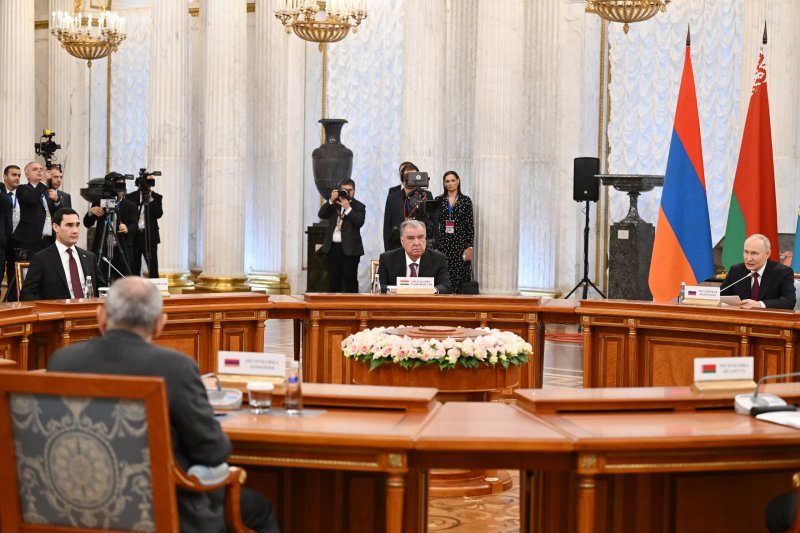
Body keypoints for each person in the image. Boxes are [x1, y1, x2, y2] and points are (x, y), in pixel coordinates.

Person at [46, 277, 279, 533]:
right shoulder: (175, 368)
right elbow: (212, 452)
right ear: (159, 324)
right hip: (166, 513)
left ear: (101, 316)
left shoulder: (62, 362)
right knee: (260, 508)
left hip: (73, 511)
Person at [20, 208, 103, 301]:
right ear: (56, 227)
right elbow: (27, 294)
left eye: (77, 225)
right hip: (57, 309)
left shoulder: (90, 257)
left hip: (89, 308)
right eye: (69, 225)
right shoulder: (41, 258)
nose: (75, 231)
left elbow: (102, 290)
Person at [720, 234, 796, 310]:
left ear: (767, 254)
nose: (748, 258)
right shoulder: (736, 270)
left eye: (754, 253)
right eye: (746, 252)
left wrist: (759, 304)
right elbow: (721, 295)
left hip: (768, 316)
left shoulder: (782, 272)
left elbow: (789, 301)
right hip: (741, 316)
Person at [83, 174, 137, 279]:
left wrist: (127, 228)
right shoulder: (100, 202)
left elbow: (134, 225)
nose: (119, 188)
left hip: (121, 249)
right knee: (100, 280)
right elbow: (87, 223)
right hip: (102, 247)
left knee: (123, 281)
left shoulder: (130, 205)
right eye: (117, 185)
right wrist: (90, 212)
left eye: (122, 185)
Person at [378, 219, 451, 294]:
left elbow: (446, 286)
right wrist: (399, 290)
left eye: (420, 237)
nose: (416, 243)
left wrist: (431, 290)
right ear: (402, 241)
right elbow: (379, 286)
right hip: (397, 300)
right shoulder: (387, 259)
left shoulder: (438, 259)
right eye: (411, 238)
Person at [318, 178, 365, 293]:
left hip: (350, 250)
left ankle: (352, 304)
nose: (347, 192)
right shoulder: (334, 204)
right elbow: (321, 214)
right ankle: (333, 304)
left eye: (350, 190)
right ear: (339, 190)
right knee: (333, 282)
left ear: (354, 191)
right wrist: (330, 200)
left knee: (350, 281)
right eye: (344, 190)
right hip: (332, 249)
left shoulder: (359, 206)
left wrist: (348, 208)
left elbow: (359, 222)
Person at [435, 170, 474, 294]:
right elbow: (435, 223)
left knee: (461, 275)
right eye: (447, 181)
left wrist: (469, 247)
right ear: (444, 184)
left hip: (461, 244)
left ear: (458, 181)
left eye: (453, 180)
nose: (450, 183)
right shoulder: (439, 200)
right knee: (444, 273)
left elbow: (469, 225)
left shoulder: (465, 200)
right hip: (443, 243)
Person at [383, 162, 434, 251]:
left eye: (414, 176)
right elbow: (387, 227)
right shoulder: (392, 198)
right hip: (398, 246)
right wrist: (388, 251)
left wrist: (434, 245)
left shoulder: (427, 195)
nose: (411, 179)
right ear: (403, 179)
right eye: (408, 176)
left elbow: (434, 221)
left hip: (421, 246)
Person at [13, 161, 58, 257]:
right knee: (30, 265)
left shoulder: (46, 191)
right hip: (29, 240)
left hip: (48, 240)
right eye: (35, 169)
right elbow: (32, 199)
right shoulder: (22, 188)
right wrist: (43, 182)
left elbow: (55, 213)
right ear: (27, 175)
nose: (39, 171)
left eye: (41, 169)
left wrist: (56, 201)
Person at [126, 186, 163, 278]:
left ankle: (154, 286)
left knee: (153, 267)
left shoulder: (156, 197)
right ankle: (135, 287)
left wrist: (150, 199)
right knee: (134, 267)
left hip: (149, 236)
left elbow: (158, 214)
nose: (148, 185)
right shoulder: (130, 196)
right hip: (134, 236)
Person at [3, 165, 21, 299]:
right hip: (1, 240)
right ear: (5, 177)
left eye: (19, 175)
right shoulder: (1, 193)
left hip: (17, 241)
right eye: (14, 175)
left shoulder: (22, 195)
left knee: (14, 276)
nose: (17, 178)